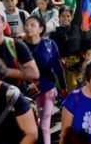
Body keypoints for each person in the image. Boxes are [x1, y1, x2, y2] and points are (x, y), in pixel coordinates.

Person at [22, 15, 67, 144]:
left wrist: (63, 87)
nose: (28, 28)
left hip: (47, 91)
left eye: (32, 25)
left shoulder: (49, 45)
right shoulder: (19, 45)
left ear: (41, 29)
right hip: (26, 94)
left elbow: (58, 66)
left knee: (44, 126)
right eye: (26, 25)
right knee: (29, 127)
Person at [0, 8, 40, 90]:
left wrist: (3, 71)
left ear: (4, 25)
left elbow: (34, 74)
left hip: (16, 97)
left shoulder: (16, 45)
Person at [50, 6, 86, 92]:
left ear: (72, 17)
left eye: (68, 16)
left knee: (78, 91)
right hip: (62, 68)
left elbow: (82, 45)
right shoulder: (54, 33)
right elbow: (53, 52)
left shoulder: (77, 29)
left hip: (78, 67)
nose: (65, 18)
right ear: (58, 17)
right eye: (62, 16)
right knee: (65, 91)